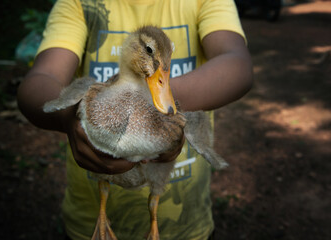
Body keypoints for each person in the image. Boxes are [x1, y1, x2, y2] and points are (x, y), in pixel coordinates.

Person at [17, 0, 253, 239]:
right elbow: (41, 78)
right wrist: (70, 117)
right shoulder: (79, 4)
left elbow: (237, 65)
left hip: (187, 228)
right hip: (85, 227)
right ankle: (102, 216)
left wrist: (163, 112)